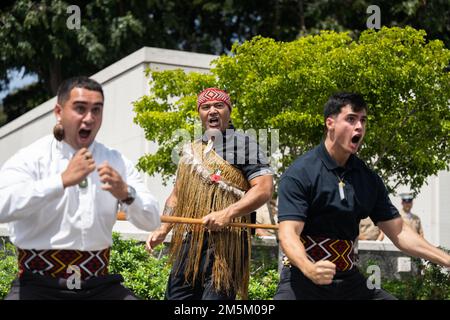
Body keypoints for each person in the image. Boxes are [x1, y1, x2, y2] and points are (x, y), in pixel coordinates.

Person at [274, 92, 450, 300]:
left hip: (349, 282)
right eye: (351, 119)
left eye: (363, 120)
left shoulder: (367, 179)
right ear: (330, 123)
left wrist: (446, 259)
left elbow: (400, 231)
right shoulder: (301, 173)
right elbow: (288, 234)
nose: (359, 126)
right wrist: (309, 268)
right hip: (302, 281)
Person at [0, 76, 160, 300]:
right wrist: (60, 181)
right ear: (58, 112)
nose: (89, 118)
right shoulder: (31, 158)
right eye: (80, 108)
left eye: (97, 110)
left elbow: (152, 221)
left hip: (99, 286)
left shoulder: (116, 161)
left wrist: (126, 193)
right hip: (38, 286)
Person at [146, 88, 274, 300]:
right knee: (177, 298)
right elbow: (177, 195)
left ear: (229, 111)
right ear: (200, 113)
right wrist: (163, 229)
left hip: (228, 243)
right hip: (191, 241)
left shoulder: (245, 144)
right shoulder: (191, 150)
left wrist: (227, 214)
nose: (212, 111)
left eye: (219, 106)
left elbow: (263, 188)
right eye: (206, 107)